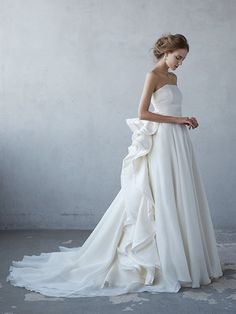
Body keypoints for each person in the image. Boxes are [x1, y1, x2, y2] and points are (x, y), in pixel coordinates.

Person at [6, 33, 223, 298]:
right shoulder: (152, 76)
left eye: (183, 59)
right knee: (159, 194)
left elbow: (174, 109)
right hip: (163, 141)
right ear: (166, 53)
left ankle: (183, 257)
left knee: (179, 194)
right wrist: (179, 120)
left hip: (179, 142)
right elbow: (143, 113)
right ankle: (158, 259)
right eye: (178, 57)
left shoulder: (174, 78)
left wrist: (185, 120)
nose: (179, 63)